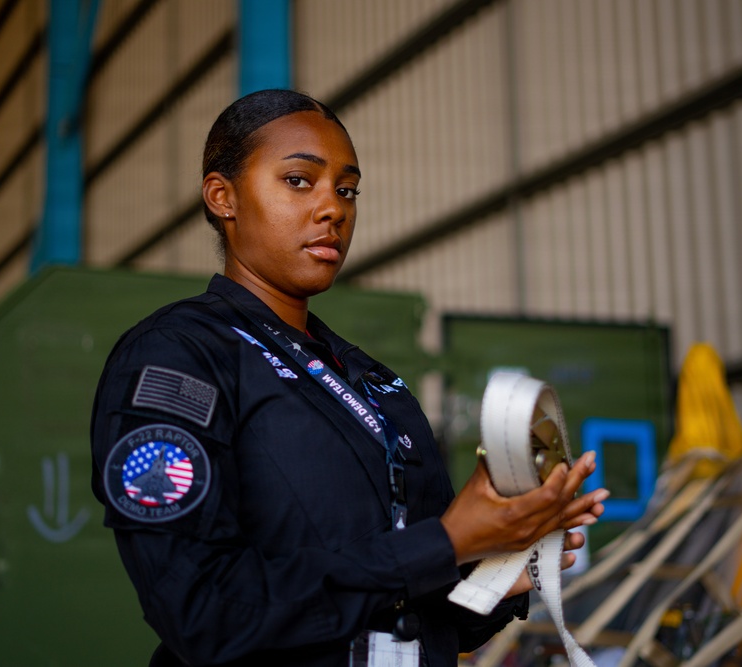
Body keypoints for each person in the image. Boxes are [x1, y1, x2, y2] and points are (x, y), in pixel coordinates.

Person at [90, 89, 608, 667]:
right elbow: (206, 611)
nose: (333, 208)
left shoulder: (374, 384)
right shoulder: (178, 356)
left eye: (347, 189)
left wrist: (498, 565)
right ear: (222, 197)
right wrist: (449, 541)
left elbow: (421, 612)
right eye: (298, 180)